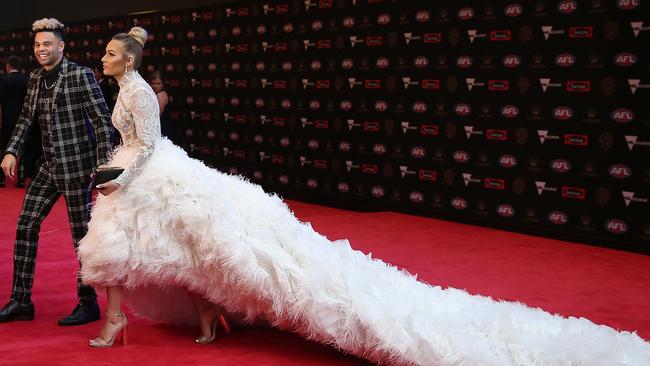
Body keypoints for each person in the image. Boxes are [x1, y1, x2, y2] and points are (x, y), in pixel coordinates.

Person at [78, 27, 650, 364]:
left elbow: (150, 143)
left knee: (206, 253)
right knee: (188, 254)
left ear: (128, 60)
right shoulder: (124, 88)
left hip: (146, 173)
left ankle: (137, 322)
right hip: (134, 174)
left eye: (109, 53)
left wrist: (122, 177)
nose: (102, 57)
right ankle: (162, 321)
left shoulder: (141, 95)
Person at [0, 18, 113, 326]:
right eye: (37, 45)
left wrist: (103, 168)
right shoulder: (35, 78)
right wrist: (12, 150)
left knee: (81, 238)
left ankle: (88, 303)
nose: (41, 49)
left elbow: (103, 123)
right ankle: (21, 300)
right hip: (48, 168)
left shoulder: (80, 75)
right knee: (25, 226)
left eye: (47, 44)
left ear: (61, 46)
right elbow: (25, 119)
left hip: (78, 169)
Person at [0, 55, 28, 187]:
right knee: (22, 149)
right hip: (23, 120)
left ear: (8, 66)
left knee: (4, 148)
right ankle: (21, 179)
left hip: (6, 119)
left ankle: (1, 179)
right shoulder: (26, 80)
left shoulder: (3, 80)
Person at [148, 70, 171, 139]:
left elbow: (157, 115)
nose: (155, 86)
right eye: (153, 83)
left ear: (163, 84)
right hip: (158, 128)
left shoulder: (161, 95)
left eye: (158, 83)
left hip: (160, 129)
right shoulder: (156, 94)